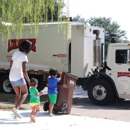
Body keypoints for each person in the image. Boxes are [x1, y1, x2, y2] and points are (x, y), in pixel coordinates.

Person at [9, 40, 31, 119]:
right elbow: (24, 71)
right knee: (25, 93)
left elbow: (11, 64)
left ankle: (15, 114)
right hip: (19, 76)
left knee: (18, 95)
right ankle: (16, 108)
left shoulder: (15, 53)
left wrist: (12, 73)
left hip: (11, 76)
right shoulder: (24, 56)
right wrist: (29, 81)